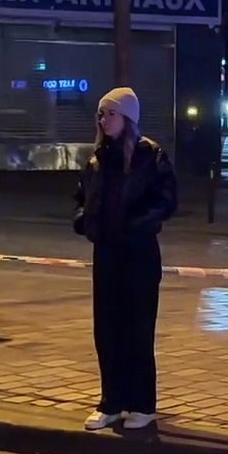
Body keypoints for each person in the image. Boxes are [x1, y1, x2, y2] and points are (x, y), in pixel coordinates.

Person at [74, 87, 178, 431]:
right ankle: (112, 402)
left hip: (138, 254)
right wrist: (84, 219)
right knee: (107, 329)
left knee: (137, 329)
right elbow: (82, 195)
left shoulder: (151, 155)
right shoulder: (97, 158)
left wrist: (134, 225)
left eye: (111, 114)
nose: (104, 120)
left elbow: (166, 200)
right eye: (101, 114)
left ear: (128, 118)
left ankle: (142, 404)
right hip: (107, 253)